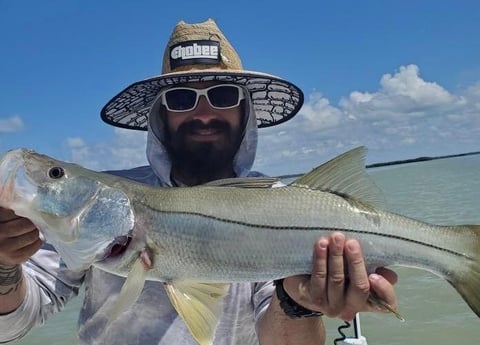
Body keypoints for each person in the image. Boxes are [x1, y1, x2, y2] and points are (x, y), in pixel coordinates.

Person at [0, 19, 397, 345]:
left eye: (223, 94)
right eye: (181, 99)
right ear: (161, 117)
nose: (203, 113)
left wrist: (299, 303)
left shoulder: (282, 201)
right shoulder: (106, 201)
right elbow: (12, 324)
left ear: (246, 113)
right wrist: (4, 267)